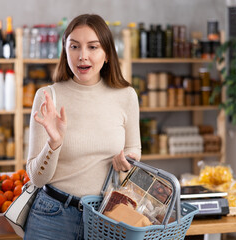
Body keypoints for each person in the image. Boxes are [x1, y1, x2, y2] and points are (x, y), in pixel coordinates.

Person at [24, 13, 141, 240]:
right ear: (65, 50)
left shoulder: (126, 96)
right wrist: (54, 143)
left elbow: (133, 151)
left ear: (107, 54)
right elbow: (37, 179)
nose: (83, 56)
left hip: (106, 217)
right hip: (52, 216)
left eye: (93, 47)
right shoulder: (48, 96)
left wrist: (127, 163)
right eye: (75, 46)